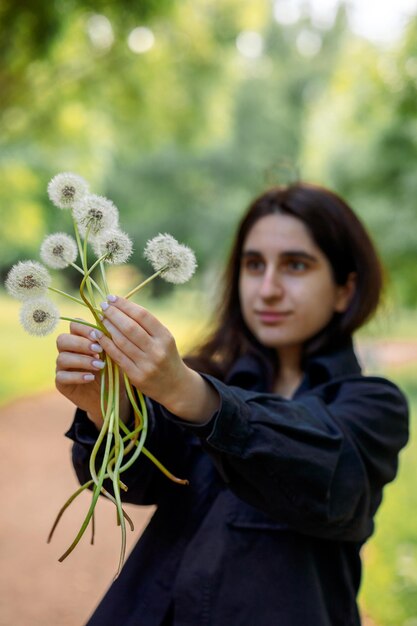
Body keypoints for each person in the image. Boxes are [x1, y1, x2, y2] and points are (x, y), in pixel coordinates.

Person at [56, 182, 409, 626]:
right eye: (253, 264)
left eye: (296, 266)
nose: (268, 289)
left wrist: (195, 396)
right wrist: (109, 407)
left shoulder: (372, 405)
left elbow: (329, 475)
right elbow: (135, 482)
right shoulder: (208, 374)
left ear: (344, 289)